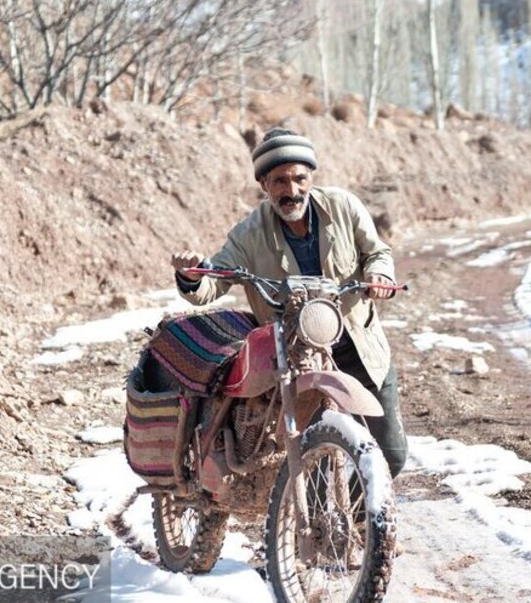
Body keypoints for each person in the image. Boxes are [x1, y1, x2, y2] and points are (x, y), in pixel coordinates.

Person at [171, 127, 408, 478]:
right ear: (264, 184)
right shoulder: (248, 234)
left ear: (312, 177)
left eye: (300, 178)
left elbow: (377, 252)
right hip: (296, 356)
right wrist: (192, 276)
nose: (292, 190)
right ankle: (320, 526)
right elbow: (213, 281)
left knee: (392, 456)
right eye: (280, 181)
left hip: (360, 347)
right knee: (309, 458)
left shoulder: (343, 207)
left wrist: (381, 277)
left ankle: (359, 524)